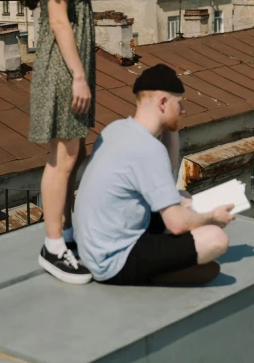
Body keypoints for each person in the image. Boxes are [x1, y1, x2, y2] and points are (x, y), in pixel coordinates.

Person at [74, 64, 235, 286]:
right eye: (179, 104)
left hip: (94, 247)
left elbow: (166, 173)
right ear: (162, 102)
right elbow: (177, 224)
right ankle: (157, 274)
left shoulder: (116, 129)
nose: (183, 110)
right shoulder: (148, 149)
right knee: (216, 239)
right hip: (112, 262)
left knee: (182, 198)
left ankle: (167, 264)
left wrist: (171, 123)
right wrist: (212, 218)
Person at [19, 0, 102, 284]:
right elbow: (59, 21)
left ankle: (64, 234)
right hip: (62, 70)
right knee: (62, 158)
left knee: (73, 154)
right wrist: (78, 77)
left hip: (67, 68)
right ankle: (53, 248)